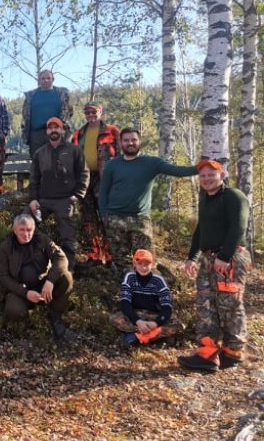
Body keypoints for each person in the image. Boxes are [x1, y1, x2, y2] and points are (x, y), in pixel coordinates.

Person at [178, 160, 252, 372]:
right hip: (208, 259)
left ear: (222, 175)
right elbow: (201, 229)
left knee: (230, 304)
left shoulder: (234, 197)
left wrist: (225, 255)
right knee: (206, 303)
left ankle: (233, 352)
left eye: (212, 175)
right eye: (202, 176)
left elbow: (239, 226)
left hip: (230, 257)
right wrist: (192, 257)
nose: (207, 179)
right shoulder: (205, 199)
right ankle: (208, 353)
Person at [98, 127, 196, 275]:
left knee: (145, 260)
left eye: (133, 140)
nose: (130, 143)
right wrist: (104, 214)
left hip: (140, 220)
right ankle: (127, 290)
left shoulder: (151, 163)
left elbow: (177, 171)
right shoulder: (112, 165)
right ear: (120, 143)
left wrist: (201, 167)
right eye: (126, 140)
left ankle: (148, 290)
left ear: (139, 142)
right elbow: (103, 190)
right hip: (114, 218)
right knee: (121, 261)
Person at [0, 213, 77, 345]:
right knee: (14, 311)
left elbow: (61, 258)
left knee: (66, 277)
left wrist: (50, 281)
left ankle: (55, 315)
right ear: (14, 230)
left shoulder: (42, 239)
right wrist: (25, 293)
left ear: (34, 229)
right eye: (22, 230)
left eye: (29, 230)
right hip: (21, 290)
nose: (26, 234)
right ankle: (28, 326)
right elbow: (3, 276)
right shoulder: (6, 247)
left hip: (44, 285)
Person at [27, 117, 89, 270]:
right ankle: (31, 262)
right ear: (47, 131)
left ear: (62, 130)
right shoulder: (40, 153)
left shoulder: (74, 150)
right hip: (43, 200)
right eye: (50, 128)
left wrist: (77, 195)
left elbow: (84, 173)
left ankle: (68, 270)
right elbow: (34, 178)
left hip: (65, 200)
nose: (53, 130)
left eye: (57, 127)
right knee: (24, 222)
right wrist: (33, 199)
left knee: (68, 236)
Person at [71, 101, 120, 265]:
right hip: (84, 179)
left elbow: (122, 154)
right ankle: (95, 255)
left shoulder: (112, 131)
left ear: (100, 111)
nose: (91, 115)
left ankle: (111, 255)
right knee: (88, 216)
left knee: (107, 216)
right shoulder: (79, 134)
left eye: (94, 112)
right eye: (88, 113)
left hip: (105, 179)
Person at [109, 249, 184, 348]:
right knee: (114, 319)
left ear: (152, 264)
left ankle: (136, 337)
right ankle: (157, 336)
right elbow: (125, 304)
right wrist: (138, 321)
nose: (143, 268)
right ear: (134, 264)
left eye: (147, 264)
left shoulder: (159, 281)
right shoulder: (129, 277)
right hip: (136, 314)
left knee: (179, 325)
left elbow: (167, 308)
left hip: (154, 316)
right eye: (140, 264)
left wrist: (155, 323)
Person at [21, 69, 73, 156]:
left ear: (53, 79)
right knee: (37, 161)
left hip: (56, 132)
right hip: (36, 134)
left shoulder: (62, 94)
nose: (46, 80)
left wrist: (61, 126)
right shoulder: (31, 96)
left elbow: (69, 112)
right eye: (43, 78)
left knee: (59, 160)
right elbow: (25, 114)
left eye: (48, 78)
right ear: (39, 80)